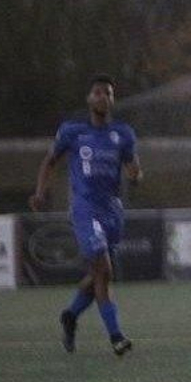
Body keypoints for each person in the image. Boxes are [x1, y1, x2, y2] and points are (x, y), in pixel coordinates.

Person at [30, 74, 142, 356]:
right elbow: (50, 161)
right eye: (98, 92)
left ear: (113, 99)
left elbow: (133, 167)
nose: (103, 97)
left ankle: (71, 315)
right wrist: (40, 192)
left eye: (108, 93)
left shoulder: (123, 134)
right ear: (89, 99)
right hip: (85, 208)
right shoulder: (73, 131)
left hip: (112, 211)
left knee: (98, 275)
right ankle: (116, 337)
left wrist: (136, 176)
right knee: (104, 270)